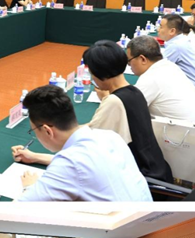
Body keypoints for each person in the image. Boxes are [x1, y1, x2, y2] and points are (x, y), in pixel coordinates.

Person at [11, 85, 153, 201]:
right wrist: (35, 157)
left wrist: (29, 187)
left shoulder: (69, 164)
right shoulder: (109, 136)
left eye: (33, 130)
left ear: (47, 131)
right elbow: (85, 166)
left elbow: (18, 209)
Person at [82, 40, 173, 183]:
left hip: (143, 178)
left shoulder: (114, 101)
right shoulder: (135, 91)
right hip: (158, 169)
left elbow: (89, 147)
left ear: (100, 74)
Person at [126, 36, 195, 126]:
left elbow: (128, 110)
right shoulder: (170, 66)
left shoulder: (151, 78)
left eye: (129, 61)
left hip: (186, 132)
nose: (129, 65)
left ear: (143, 59)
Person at [158, 15, 195, 88]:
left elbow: (158, 68)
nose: (158, 29)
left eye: (161, 27)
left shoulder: (176, 45)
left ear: (172, 31)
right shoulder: (181, 40)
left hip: (193, 89)